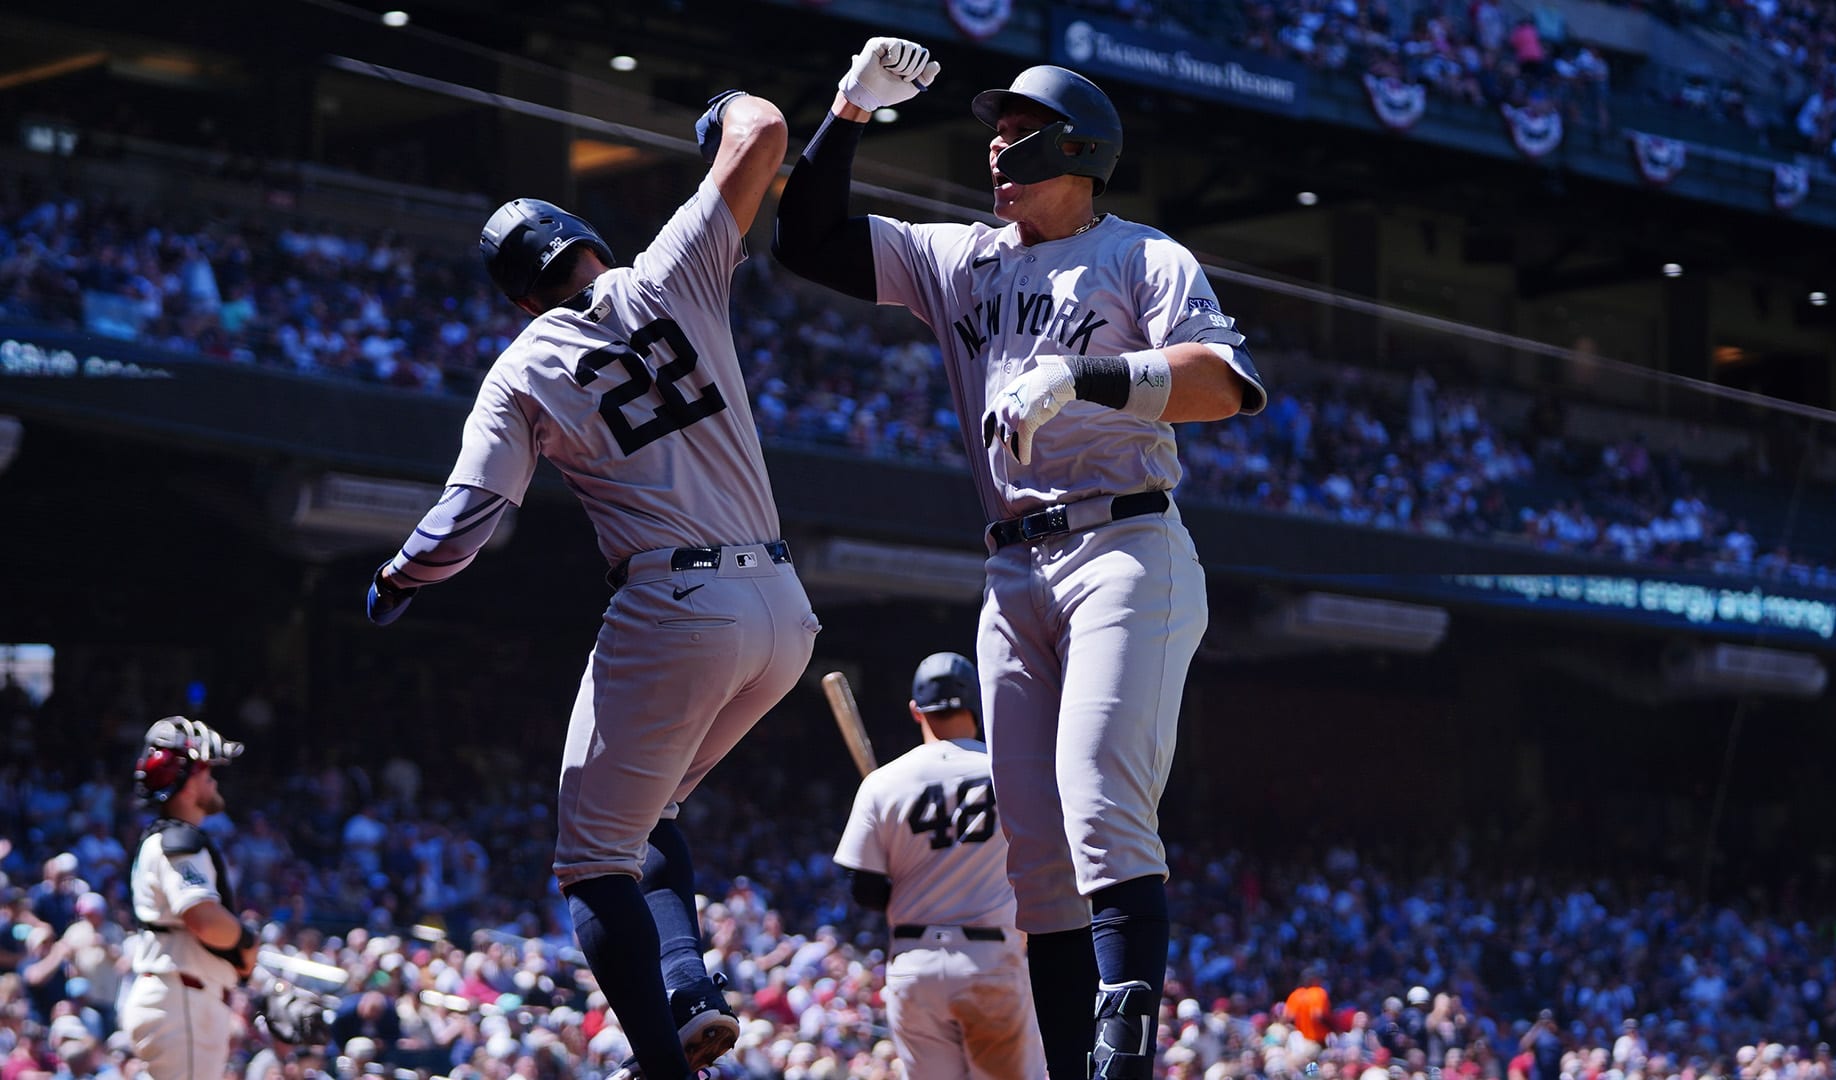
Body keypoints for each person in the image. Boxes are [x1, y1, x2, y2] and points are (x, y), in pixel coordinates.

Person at [775, 40, 1266, 1079]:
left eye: (1021, 138)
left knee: (1096, 796)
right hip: (1013, 565)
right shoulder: (965, 256)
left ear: (1081, 151)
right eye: (993, 137)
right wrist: (848, 112)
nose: (997, 153)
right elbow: (806, 241)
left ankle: (1124, 1052)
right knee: (1035, 855)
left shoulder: (1143, 255)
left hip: (1125, 541)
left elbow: (1222, 384)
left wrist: (1083, 378)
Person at [364, 87, 817, 1080]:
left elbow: (470, 519)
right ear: (587, 243)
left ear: (517, 294)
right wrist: (723, 112)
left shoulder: (522, 365)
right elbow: (766, 129)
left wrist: (401, 577)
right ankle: (692, 991)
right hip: (785, 611)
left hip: (679, 603)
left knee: (589, 860)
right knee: (643, 820)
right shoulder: (670, 273)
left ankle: (661, 1065)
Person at [832, 652, 1043, 1079]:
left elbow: (863, 890)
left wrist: (916, 881)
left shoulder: (884, 782)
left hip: (915, 964)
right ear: (977, 705)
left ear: (916, 710)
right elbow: (1045, 865)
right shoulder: (1011, 774)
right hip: (989, 960)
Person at [121, 717, 259, 1080]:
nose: (213, 778)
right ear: (185, 782)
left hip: (178, 996)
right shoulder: (178, 841)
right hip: (180, 997)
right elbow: (202, 917)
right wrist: (246, 941)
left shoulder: (167, 839)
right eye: (205, 770)